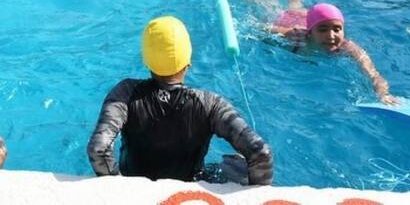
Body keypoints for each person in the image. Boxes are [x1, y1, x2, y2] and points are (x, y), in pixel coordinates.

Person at [87, 16, 273, 184]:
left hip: (135, 184)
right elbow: (261, 153)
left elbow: (99, 150)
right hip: (189, 186)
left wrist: (121, 190)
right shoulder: (211, 104)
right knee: (237, 163)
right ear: (188, 60)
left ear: (147, 60)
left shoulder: (125, 92)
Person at [267, 0, 398, 105]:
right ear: (310, 32)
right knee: (280, 5)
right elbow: (259, 30)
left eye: (337, 29)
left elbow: (373, 74)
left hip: (310, 18)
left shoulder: (348, 47)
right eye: (323, 30)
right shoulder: (295, 37)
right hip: (289, 18)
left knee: (296, 3)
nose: (331, 36)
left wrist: (383, 94)